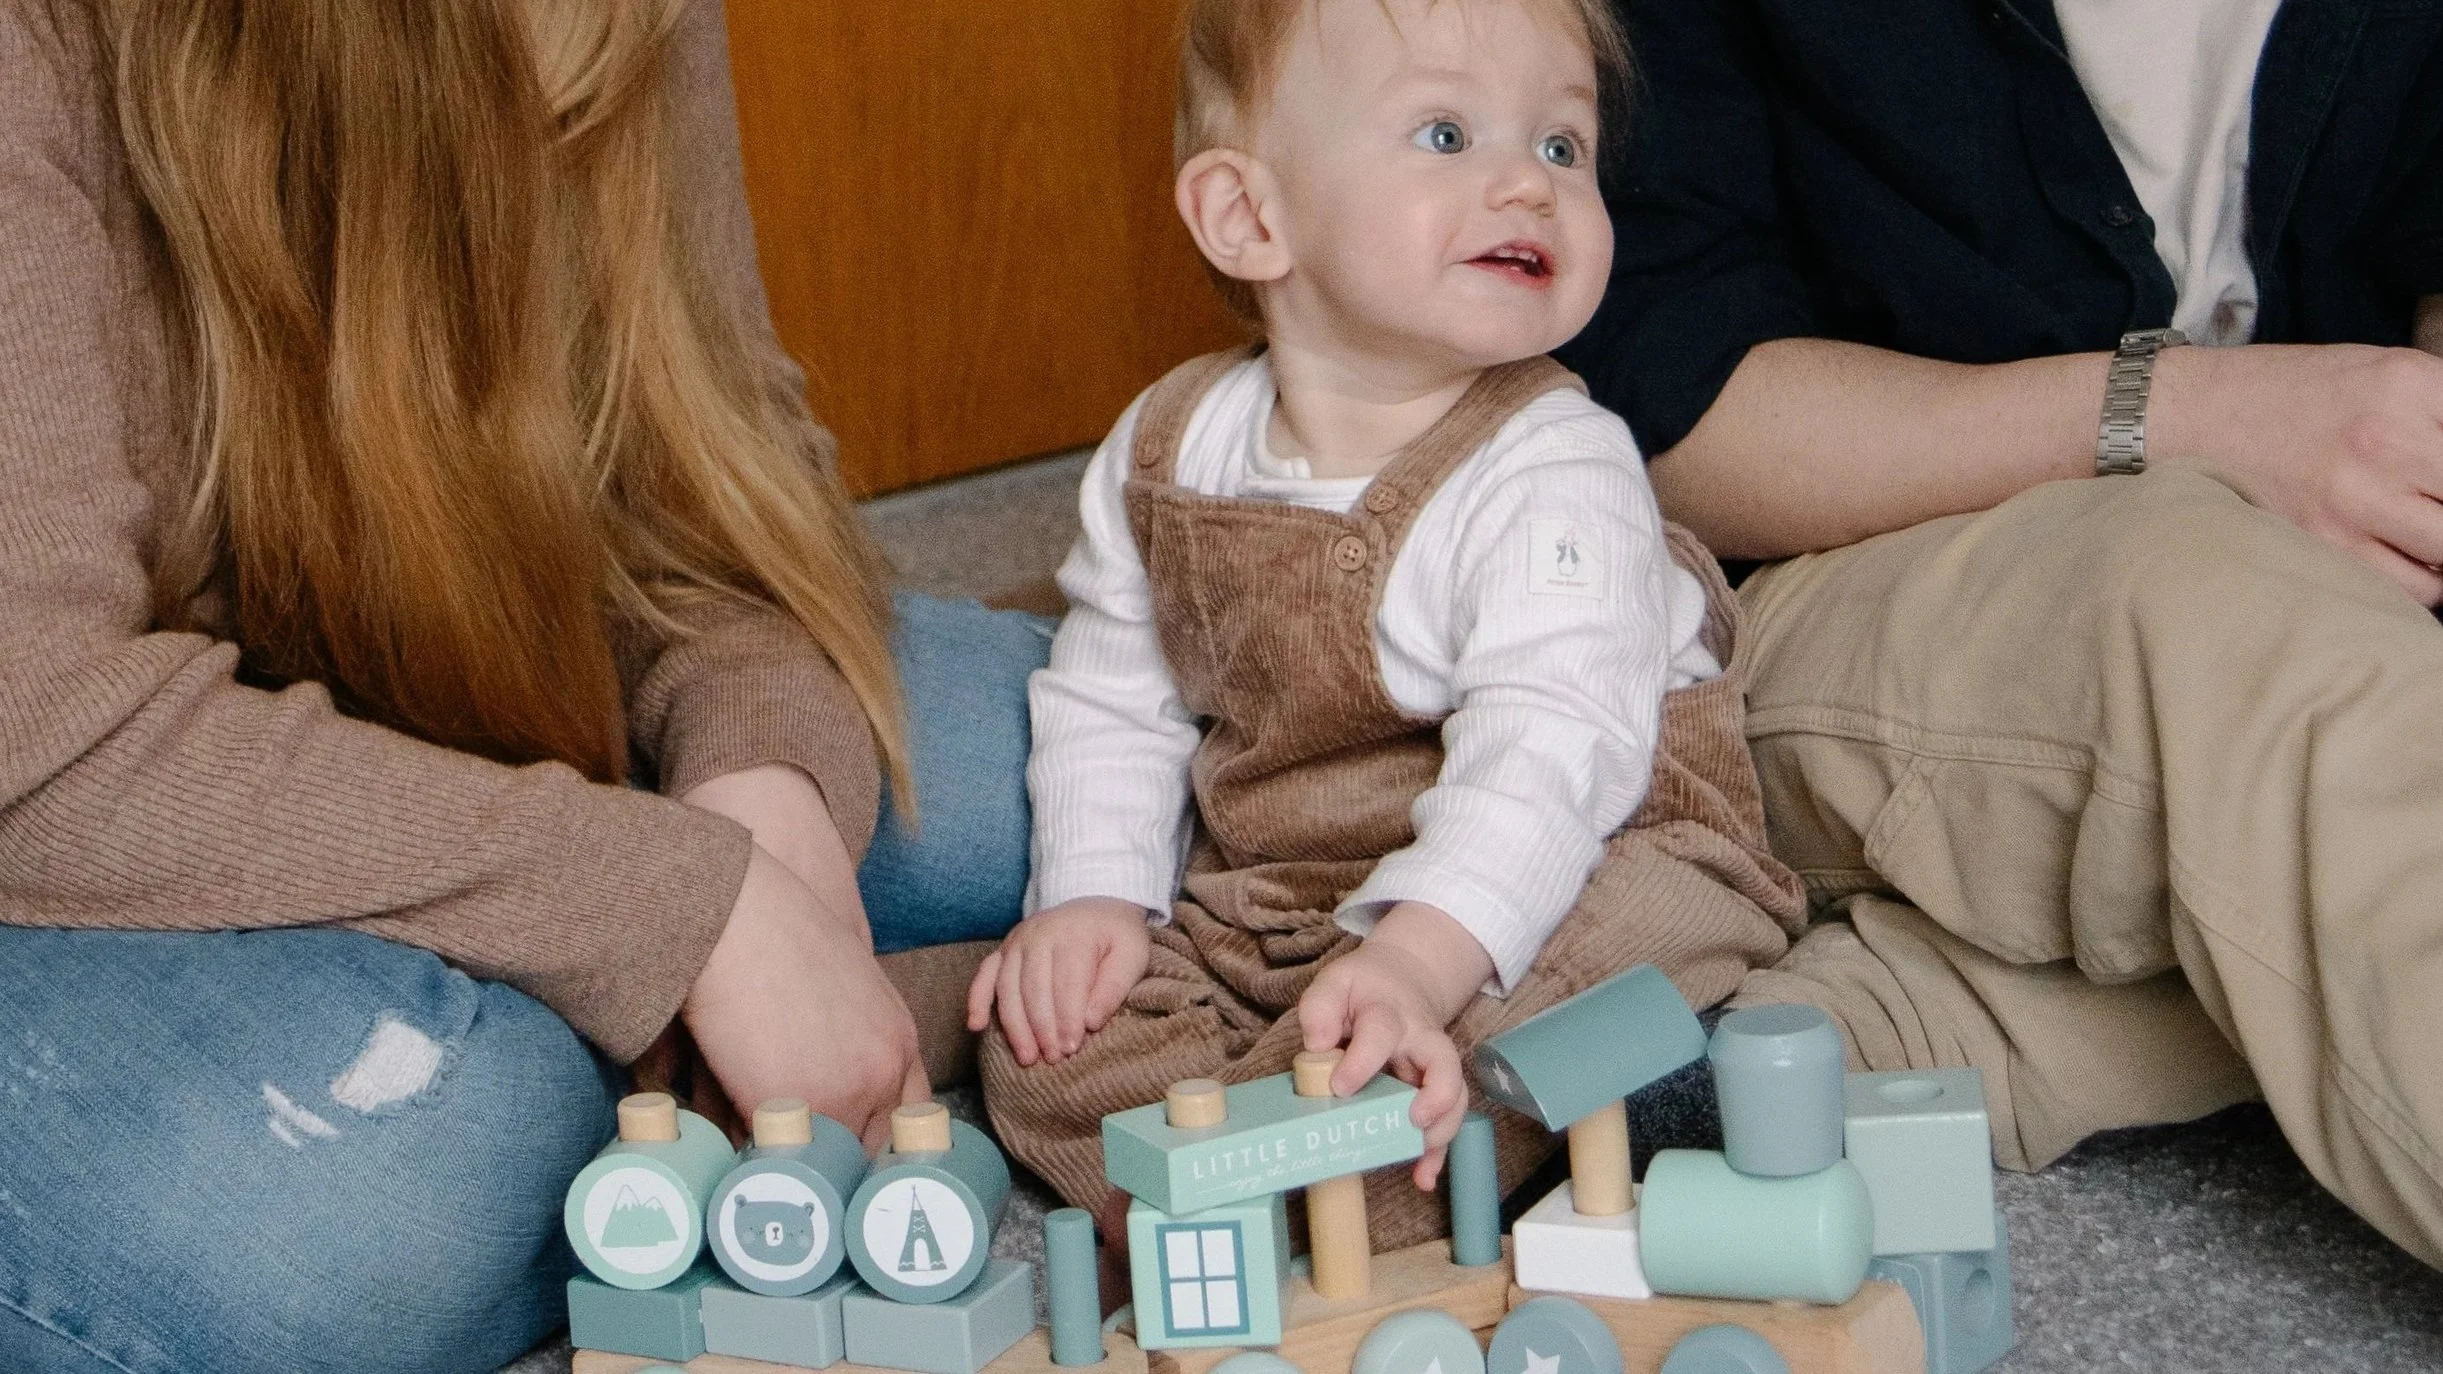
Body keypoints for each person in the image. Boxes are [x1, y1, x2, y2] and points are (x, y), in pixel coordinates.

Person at [0, 2, 1038, 1370]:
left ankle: (660, 1063)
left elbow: (711, 458)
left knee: (1059, 747)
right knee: (380, 1186)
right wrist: (681, 909)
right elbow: (44, 729)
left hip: (378, 706)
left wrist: (763, 793)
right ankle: (701, 1054)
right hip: (68, 807)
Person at [1558, 0, 2443, 1263]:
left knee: (2309, 812)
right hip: (1836, 592)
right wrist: (2194, 418)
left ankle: (1857, 1033)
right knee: (2233, 630)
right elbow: (1672, 420)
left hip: (2339, 609)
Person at [965, 0, 1803, 1247]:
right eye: (1449, 134)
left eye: (1564, 148)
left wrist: (1417, 964)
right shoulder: (1170, 445)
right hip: (1287, 883)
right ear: (1252, 218)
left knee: (1543, 1019)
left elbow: (1548, 752)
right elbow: (1109, 698)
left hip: (1589, 849)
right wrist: (1092, 900)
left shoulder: (1555, 464)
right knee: (1046, 1053)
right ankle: (1281, 1145)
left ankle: (1371, 1139)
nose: (1528, 184)